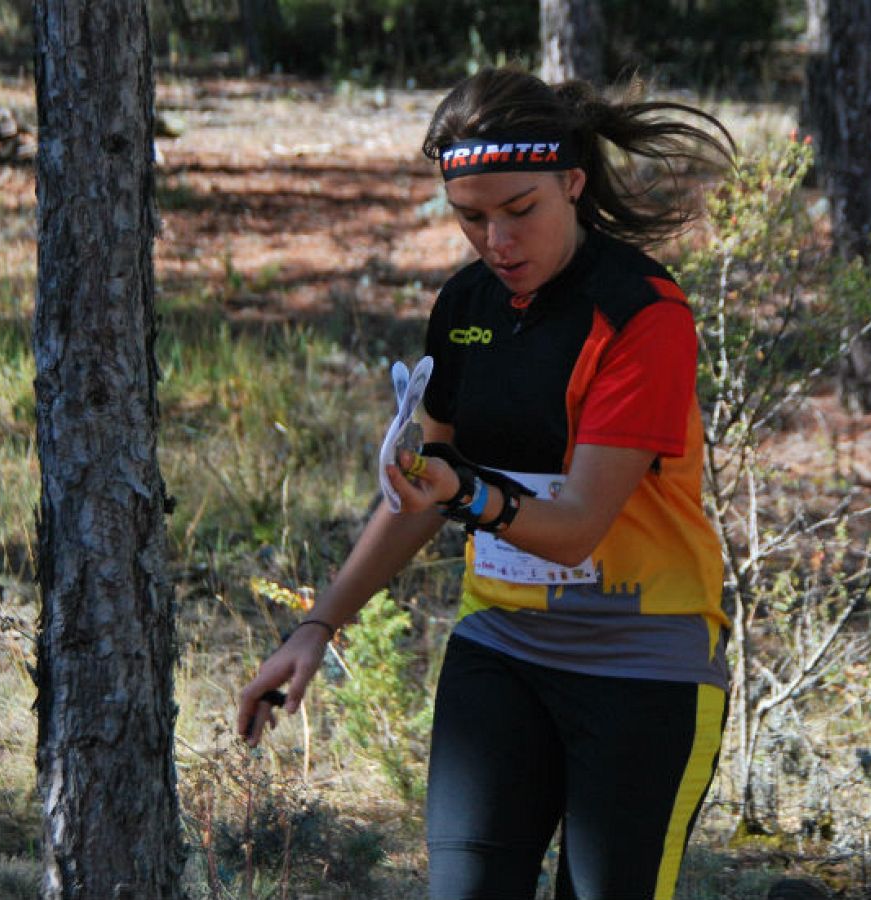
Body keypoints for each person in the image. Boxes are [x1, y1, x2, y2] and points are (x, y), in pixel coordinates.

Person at [236, 66, 734, 899]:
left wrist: (467, 493)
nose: (497, 242)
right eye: (471, 219)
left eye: (520, 212)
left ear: (572, 184)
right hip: (500, 647)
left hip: (645, 667)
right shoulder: (466, 302)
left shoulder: (644, 315)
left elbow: (575, 526)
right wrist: (318, 624)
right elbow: (422, 491)